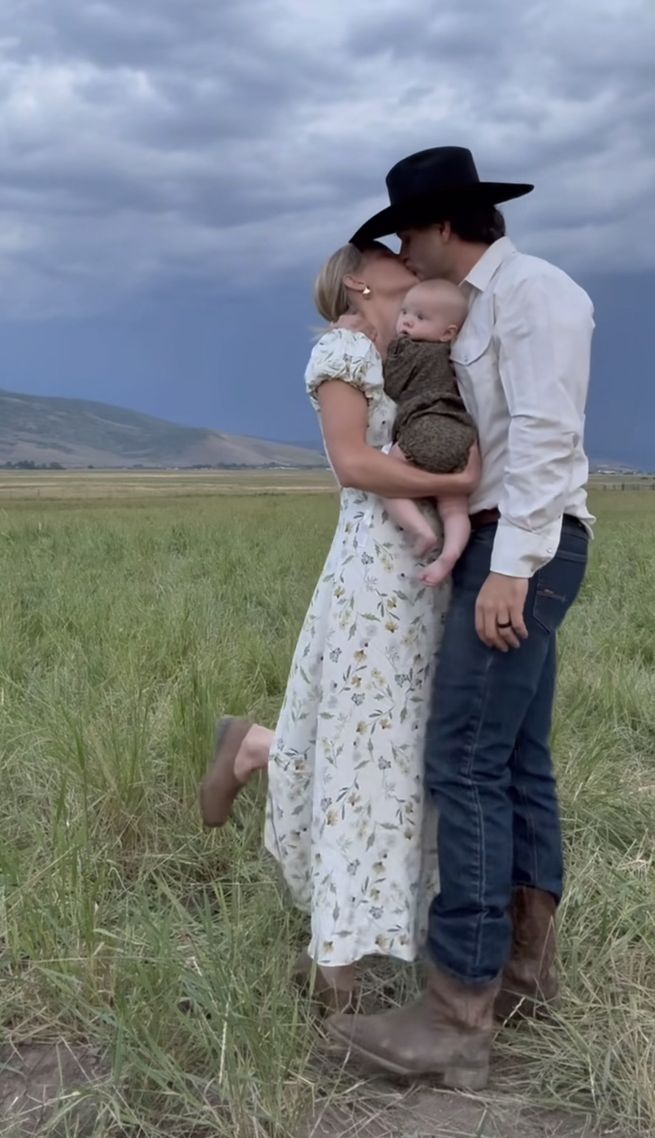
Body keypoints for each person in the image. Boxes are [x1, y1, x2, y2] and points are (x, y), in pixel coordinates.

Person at [327, 146, 595, 1090]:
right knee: (518, 755)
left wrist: (509, 568)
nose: (402, 246)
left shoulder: (538, 297)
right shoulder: (483, 305)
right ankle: (522, 974)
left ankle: (457, 1013)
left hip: (523, 543)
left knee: (464, 759)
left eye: (407, 229)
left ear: (442, 227)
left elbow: (549, 442)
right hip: (507, 542)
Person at [198, 239, 480, 1013]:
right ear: (358, 280)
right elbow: (353, 463)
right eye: (385, 254)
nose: (404, 258)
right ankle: (338, 977)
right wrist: (453, 480)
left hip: (422, 581)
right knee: (367, 759)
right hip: (373, 575)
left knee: (395, 747)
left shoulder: (409, 349)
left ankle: (256, 746)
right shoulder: (342, 352)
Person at [380, 278, 477, 587]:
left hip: (425, 425)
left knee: (389, 480)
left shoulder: (408, 350)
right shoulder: (451, 354)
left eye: (420, 317)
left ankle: (420, 530)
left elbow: (393, 385)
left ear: (448, 332)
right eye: (405, 312)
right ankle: (450, 554)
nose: (407, 320)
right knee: (454, 506)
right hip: (460, 432)